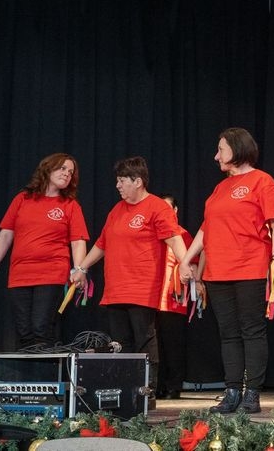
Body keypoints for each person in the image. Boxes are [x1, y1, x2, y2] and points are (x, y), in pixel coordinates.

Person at [179, 127, 274, 414]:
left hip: (250, 266)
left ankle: (252, 393)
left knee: (252, 331)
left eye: (221, 150)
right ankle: (232, 392)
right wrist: (186, 259)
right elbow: (206, 228)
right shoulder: (220, 188)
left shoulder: (262, 181)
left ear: (237, 149)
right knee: (228, 333)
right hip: (218, 271)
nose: (216, 156)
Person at [70, 156, 188, 394]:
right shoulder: (117, 210)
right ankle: (124, 389)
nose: (118, 185)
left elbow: (174, 238)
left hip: (141, 286)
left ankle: (147, 390)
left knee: (144, 338)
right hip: (115, 288)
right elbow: (101, 244)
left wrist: (185, 264)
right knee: (119, 342)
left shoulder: (157, 207)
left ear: (138, 181)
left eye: (122, 180)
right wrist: (81, 268)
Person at [0, 153, 89, 350]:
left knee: (41, 327)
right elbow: (5, 235)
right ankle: (29, 370)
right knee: (23, 332)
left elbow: (78, 241)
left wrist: (80, 269)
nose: (67, 174)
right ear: (48, 168)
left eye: (71, 172)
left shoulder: (70, 205)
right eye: (62, 168)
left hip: (51, 272)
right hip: (20, 274)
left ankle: (47, 370)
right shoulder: (23, 199)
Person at [156, 193, 192, 400]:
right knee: (156, 346)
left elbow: (193, 262)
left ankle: (173, 386)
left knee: (173, 345)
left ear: (175, 210)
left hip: (173, 299)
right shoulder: (154, 234)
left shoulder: (182, 234)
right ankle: (156, 385)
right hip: (151, 298)